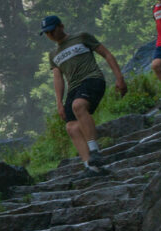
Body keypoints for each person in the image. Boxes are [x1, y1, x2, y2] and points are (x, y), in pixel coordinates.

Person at [42, 15, 127, 176]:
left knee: (78, 106)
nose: (50, 35)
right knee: (71, 127)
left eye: (52, 30)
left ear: (61, 26)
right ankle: (91, 167)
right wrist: (59, 102)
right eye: (46, 33)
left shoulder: (81, 37)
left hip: (92, 79)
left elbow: (106, 54)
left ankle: (95, 151)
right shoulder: (53, 55)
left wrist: (119, 78)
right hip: (73, 88)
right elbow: (58, 78)